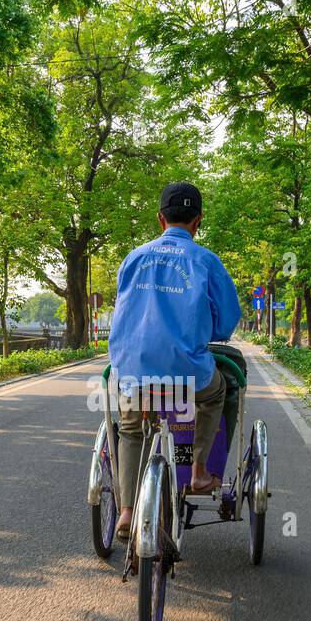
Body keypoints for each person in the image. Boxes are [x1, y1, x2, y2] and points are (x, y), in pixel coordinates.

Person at [108, 181, 242, 540]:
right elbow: (228, 322)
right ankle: (198, 469)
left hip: (132, 371)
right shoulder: (206, 261)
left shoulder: (133, 257)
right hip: (188, 374)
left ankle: (125, 511)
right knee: (217, 393)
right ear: (198, 221)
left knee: (132, 429)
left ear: (160, 219)